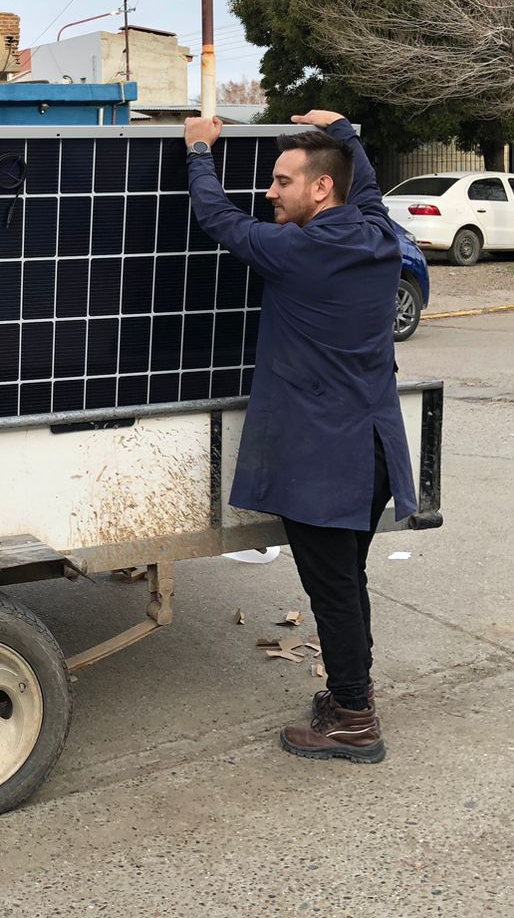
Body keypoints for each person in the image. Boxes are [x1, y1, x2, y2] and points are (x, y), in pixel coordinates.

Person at [185, 108, 417, 763]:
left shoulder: (302, 251)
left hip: (325, 461)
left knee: (335, 590)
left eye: (282, 180)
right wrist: (346, 130)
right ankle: (353, 697)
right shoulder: (375, 232)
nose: (268, 191)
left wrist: (200, 153)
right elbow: (366, 187)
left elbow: (220, 222)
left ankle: (353, 721)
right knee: (349, 581)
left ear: (320, 189)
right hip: (371, 452)